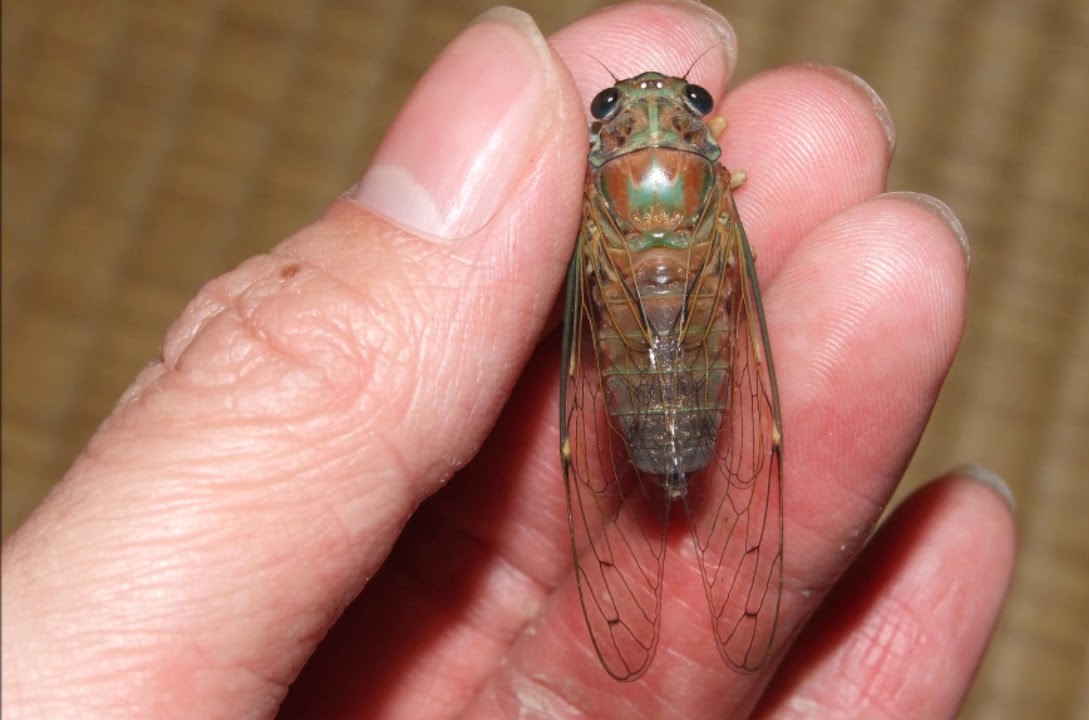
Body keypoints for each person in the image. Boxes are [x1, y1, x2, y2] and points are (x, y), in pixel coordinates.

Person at [1, 2, 1017, 717]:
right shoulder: (716, 192)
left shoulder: (601, 186)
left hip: (633, 332)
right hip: (698, 326)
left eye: (681, 120)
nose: (665, 122)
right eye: (642, 120)